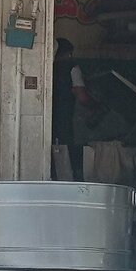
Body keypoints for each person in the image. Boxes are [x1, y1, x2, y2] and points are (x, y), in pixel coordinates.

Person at [51, 37, 95, 179]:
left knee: (51, 150)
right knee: (66, 151)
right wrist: (93, 106)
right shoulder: (72, 68)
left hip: (48, 117)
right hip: (66, 117)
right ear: (69, 53)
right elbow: (81, 96)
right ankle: (68, 179)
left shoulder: (47, 66)